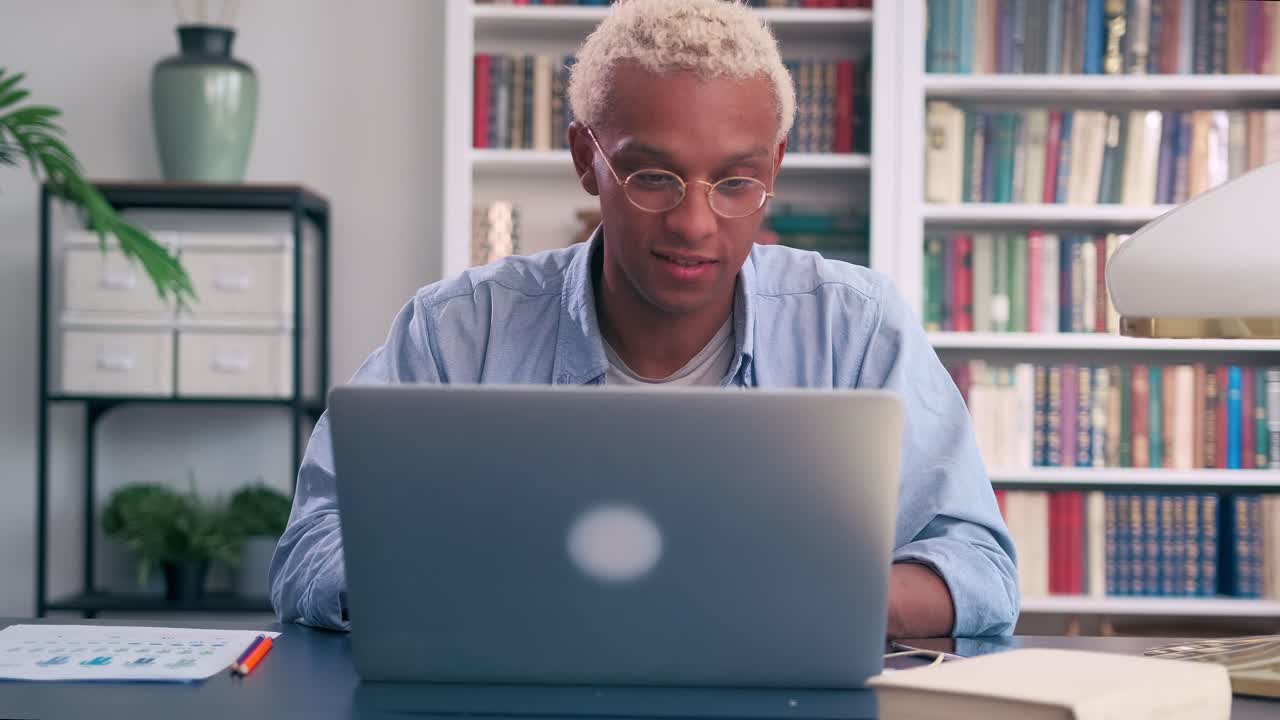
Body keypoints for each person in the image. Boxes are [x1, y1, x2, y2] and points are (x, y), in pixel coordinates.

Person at [270, 0, 1019, 639]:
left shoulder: (856, 327)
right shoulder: (455, 330)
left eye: (736, 182)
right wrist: (478, 591)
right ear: (584, 159)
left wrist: (815, 604)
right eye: (652, 176)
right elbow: (312, 546)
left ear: (775, 169)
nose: (695, 223)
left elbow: (980, 568)